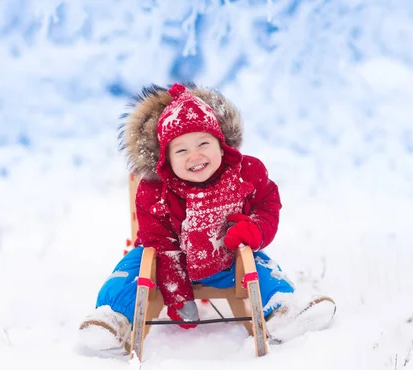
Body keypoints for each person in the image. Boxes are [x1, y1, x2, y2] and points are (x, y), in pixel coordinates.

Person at [77, 83, 335, 356]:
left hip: (227, 261)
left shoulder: (245, 174)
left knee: (262, 268)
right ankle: (112, 319)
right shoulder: (155, 192)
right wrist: (178, 297)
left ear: (222, 147)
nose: (195, 155)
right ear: (166, 161)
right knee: (131, 269)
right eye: (181, 151)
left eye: (203, 143)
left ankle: (283, 311)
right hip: (166, 264)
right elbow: (161, 243)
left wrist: (255, 229)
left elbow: (267, 203)